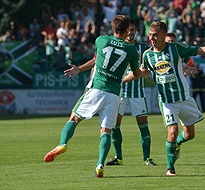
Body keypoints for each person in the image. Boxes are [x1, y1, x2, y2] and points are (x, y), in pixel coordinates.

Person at [43, 15, 149, 178]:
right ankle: (100, 164)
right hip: (114, 94)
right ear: (127, 29)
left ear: (113, 28)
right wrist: (144, 73)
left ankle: (62, 143)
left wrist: (78, 69)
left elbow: (97, 59)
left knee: (74, 118)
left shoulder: (101, 40)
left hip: (96, 88)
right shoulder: (131, 50)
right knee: (106, 130)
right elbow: (135, 73)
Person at [130, 21, 205, 176]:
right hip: (166, 100)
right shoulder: (148, 55)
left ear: (163, 34)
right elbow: (143, 72)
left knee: (189, 135)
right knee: (173, 131)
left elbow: (202, 50)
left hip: (184, 98)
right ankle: (170, 168)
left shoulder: (176, 48)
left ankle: (178, 144)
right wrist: (126, 78)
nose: (151, 38)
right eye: (150, 34)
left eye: (155, 35)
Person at [105, 19, 156, 166]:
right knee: (114, 125)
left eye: (133, 30)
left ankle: (147, 158)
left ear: (136, 31)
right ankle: (118, 157)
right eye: (129, 29)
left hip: (137, 93)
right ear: (125, 30)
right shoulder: (117, 46)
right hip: (119, 93)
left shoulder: (143, 49)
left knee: (143, 126)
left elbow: (150, 66)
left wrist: (146, 73)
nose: (131, 32)